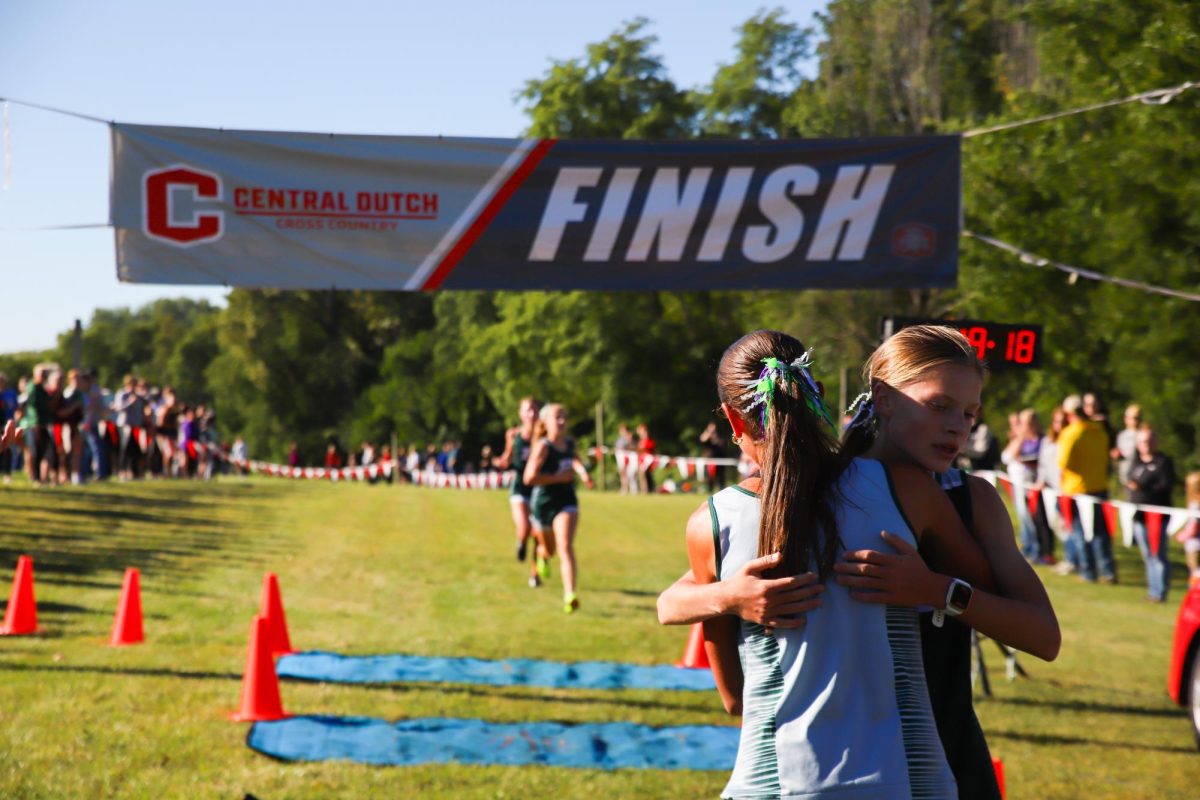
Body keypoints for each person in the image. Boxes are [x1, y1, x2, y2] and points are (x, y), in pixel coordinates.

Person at [658, 326, 1059, 800]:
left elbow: (1039, 634)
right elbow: (679, 599)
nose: (958, 426)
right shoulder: (815, 491)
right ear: (884, 398)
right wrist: (730, 596)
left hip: (938, 753)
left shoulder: (969, 499)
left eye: (970, 413)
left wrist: (936, 591)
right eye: (938, 405)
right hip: (838, 764)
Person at [524, 403, 594, 613]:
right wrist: (557, 478)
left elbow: (574, 460)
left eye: (565, 417)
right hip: (544, 503)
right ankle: (542, 555)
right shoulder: (543, 446)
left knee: (565, 546)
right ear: (545, 422)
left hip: (567, 500)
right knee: (549, 548)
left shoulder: (569, 443)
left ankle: (569, 594)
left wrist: (582, 472)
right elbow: (529, 478)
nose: (563, 421)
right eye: (558, 417)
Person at [1058, 394, 1116, 584]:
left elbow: (1063, 462)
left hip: (1077, 489)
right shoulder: (1100, 430)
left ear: (1069, 413)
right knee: (1100, 533)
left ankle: (1089, 572)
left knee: (1080, 533)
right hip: (1099, 486)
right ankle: (1108, 572)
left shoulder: (1071, 432)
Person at [493, 396, 544, 588]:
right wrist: (501, 461)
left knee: (539, 535)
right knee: (524, 528)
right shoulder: (513, 435)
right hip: (520, 487)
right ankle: (521, 542)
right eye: (527, 410)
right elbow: (508, 456)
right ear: (520, 414)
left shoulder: (544, 434)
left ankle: (535, 574)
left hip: (540, 488)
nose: (531, 414)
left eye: (534, 410)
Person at [1126, 427, 1176, 603]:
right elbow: (1129, 478)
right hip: (1139, 516)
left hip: (1157, 516)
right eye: (1142, 441)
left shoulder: (1163, 462)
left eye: (1148, 441)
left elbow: (1166, 485)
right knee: (1147, 555)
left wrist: (1144, 489)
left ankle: (1161, 592)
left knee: (1158, 554)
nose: (1145, 445)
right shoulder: (1136, 462)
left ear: (1155, 442)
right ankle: (1152, 591)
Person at [1001, 408, 1042, 560]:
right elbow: (1007, 456)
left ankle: (1037, 549)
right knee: (1023, 516)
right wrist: (1019, 437)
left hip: (1033, 484)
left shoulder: (1039, 439)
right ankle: (1028, 546)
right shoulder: (1020, 439)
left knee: (1033, 518)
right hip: (1020, 483)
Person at [1112, 404, 1142, 497]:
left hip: (1138, 480)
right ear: (1126, 418)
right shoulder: (1121, 436)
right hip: (1123, 478)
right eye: (1132, 418)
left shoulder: (1142, 435)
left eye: (1137, 418)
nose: (1134, 421)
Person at [1177, 473, 1200, 588]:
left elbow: (1194, 526)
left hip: (1195, 545)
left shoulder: (1196, 504)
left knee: (1195, 575)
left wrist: (1183, 535)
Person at [698, 420, 729, 493]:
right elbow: (702, 439)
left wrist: (715, 437)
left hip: (720, 459)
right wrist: (709, 433)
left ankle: (721, 491)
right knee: (710, 477)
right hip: (710, 460)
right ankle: (709, 490)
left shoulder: (719, 435)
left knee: (721, 477)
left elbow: (724, 443)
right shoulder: (706, 435)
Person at [636, 423, 657, 494]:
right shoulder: (641, 441)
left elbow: (647, 450)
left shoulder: (649, 441)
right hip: (641, 461)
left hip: (647, 462)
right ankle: (644, 490)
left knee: (646, 476)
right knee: (642, 476)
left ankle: (647, 490)